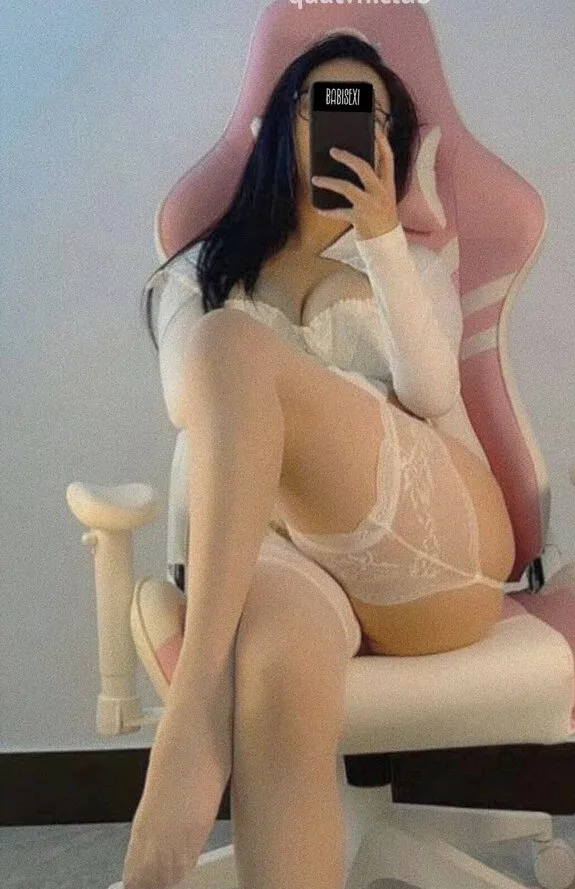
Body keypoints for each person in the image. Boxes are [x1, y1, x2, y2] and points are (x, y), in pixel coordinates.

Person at [123, 32, 515, 889]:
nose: (346, 125)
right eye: (326, 105)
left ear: (390, 141)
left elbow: (430, 388)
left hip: (434, 546)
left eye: (367, 113)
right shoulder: (199, 271)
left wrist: (381, 241)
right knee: (274, 681)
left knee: (230, 344)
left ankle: (192, 716)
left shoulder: (414, 262)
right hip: (280, 555)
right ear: (283, 125)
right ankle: (221, 710)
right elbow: (190, 401)